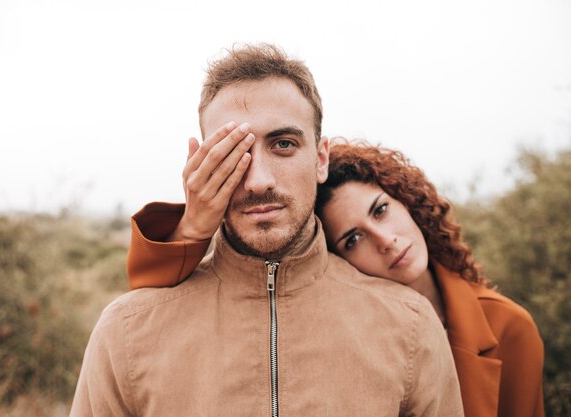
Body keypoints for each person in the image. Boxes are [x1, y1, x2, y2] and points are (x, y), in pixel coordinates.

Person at [70, 44, 464, 416]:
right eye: (233, 150)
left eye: (284, 144)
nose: (258, 181)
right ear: (200, 161)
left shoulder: (410, 325)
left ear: (320, 158)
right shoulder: (124, 332)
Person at [127, 140, 545, 417]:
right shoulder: (341, 331)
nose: (384, 240)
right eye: (353, 239)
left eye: (380, 210)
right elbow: (147, 297)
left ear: (409, 201)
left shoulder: (509, 328)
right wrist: (193, 227)